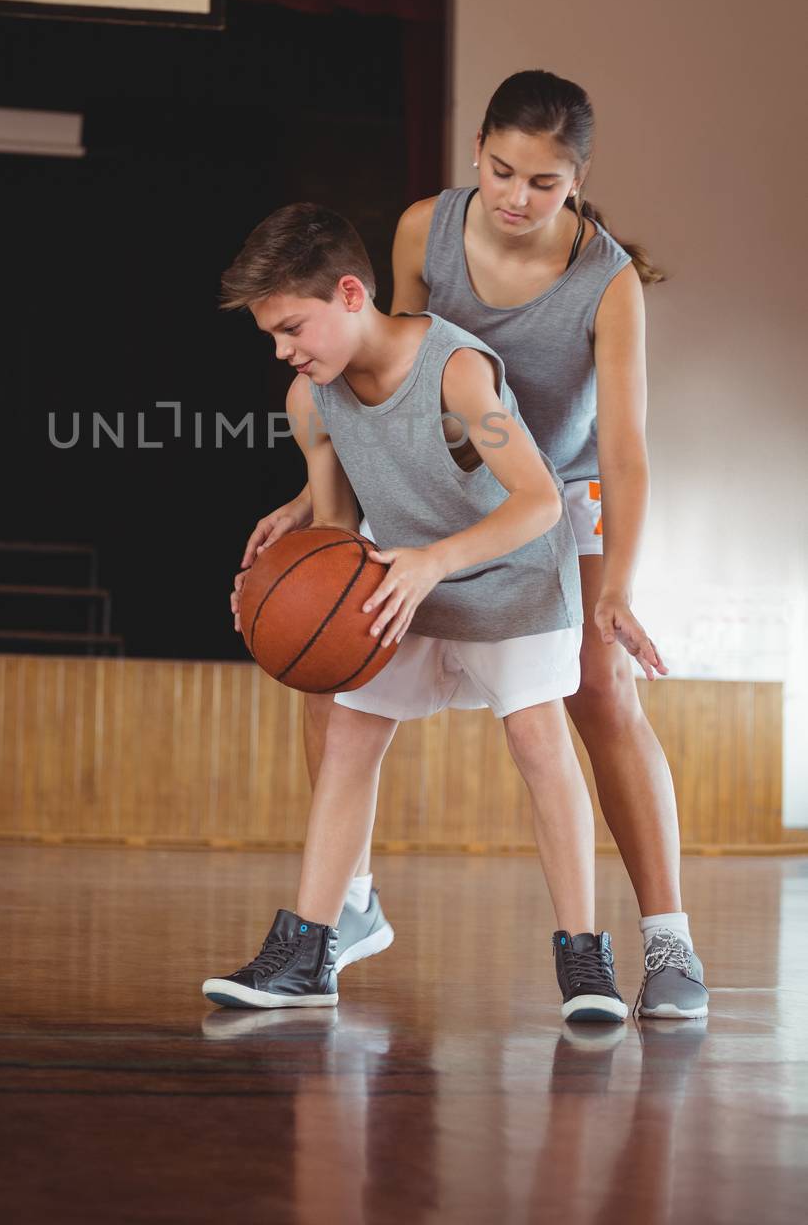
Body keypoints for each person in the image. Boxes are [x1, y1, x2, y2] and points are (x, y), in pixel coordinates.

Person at [231, 70, 708, 1020]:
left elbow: (622, 450)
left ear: (576, 179)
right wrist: (309, 491)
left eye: (543, 181)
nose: (516, 197)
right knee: (335, 668)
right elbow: (373, 363)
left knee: (598, 691)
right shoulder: (423, 230)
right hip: (430, 476)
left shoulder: (606, 281)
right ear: (476, 155)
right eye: (500, 171)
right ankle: (345, 909)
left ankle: (665, 942)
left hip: (548, 491)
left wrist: (615, 586)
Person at [204, 202, 627, 1021]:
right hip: (402, 581)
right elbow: (333, 539)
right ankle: (307, 951)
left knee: (540, 746)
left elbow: (540, 503)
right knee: (348, 736)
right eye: (272, 338)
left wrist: (434, 561)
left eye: (292, 328)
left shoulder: (454, 372)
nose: (284, 351)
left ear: (353, 294)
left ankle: (585, 961)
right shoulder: (311, 402)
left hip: (507, 578)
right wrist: (275, 594)